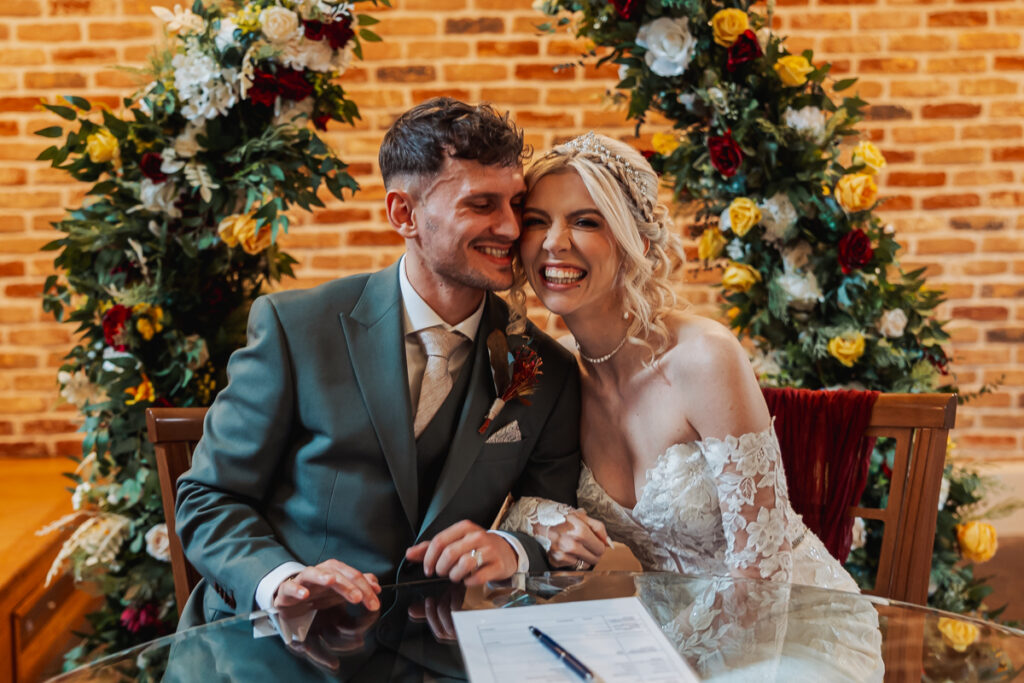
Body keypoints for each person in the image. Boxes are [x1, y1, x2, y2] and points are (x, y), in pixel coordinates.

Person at [174, 98, 582, 628]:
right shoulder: (295, 328)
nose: (509, 229)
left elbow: (549, 521)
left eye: (516, 205)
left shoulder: (542, 368)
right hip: (279, 644)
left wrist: (511, 547)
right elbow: (209, 496)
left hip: (439, 650)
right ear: (404, 214)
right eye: (481, 205)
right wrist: (280, 580)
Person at [500, 132, 858, 593]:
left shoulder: (705, 357)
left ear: (637, 244)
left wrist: (683, 659)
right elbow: (514, 501)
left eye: (585, 221)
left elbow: (762, 576)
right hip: (665, 629)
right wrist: (545, 520)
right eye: (536, 221)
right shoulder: (554, 372)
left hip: (784, 622)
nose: (554, 242)